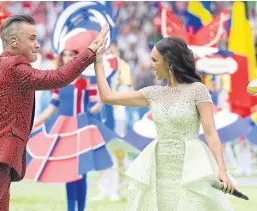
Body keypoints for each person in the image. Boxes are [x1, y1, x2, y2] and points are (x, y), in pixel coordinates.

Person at [0, 15, 110, 210]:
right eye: (32, 38)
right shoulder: (14, 68)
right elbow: (59, 77)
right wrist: (90, 52)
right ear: (13, 42)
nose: (37, 45)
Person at [93, 36, 235, 210]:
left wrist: (221, 169)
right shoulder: (154, 93)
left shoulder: (198, 90)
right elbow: (108, 97)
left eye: (154, 60)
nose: (150, 64)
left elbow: (211, 132)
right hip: (159, 168)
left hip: (190, 166)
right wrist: (97, 59)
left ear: (169, 62)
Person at [26, 30, 118, 211]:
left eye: (71, 55)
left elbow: (96, 103)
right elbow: (53, 106)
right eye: (65, 55)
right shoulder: (58, 80)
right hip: (64, 129)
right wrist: (35, 123)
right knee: (68, 172)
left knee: (81, 172)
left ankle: (81, 208)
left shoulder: (86, 79)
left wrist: (93, 110)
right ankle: (70, 208)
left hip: (82, 128)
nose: (67, 58)